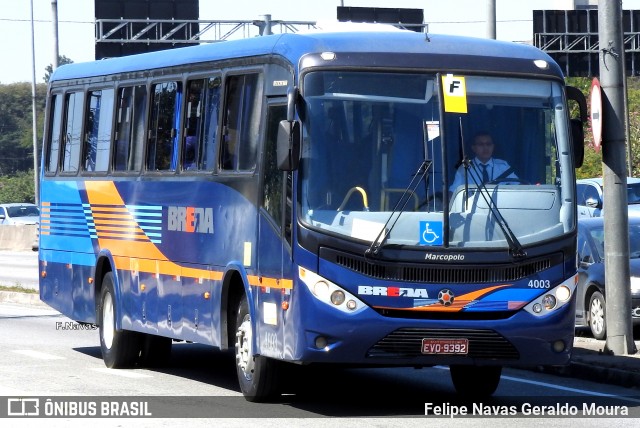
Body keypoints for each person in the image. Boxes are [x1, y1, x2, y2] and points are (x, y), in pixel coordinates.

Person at [449, 132, 517, 194]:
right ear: (473, 148)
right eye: (481, 144)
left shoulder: (503, 167)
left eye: (489, 144)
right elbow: (454, 191)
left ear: (493, 146)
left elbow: (518, 186)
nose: (485, 148)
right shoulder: (465, 168)